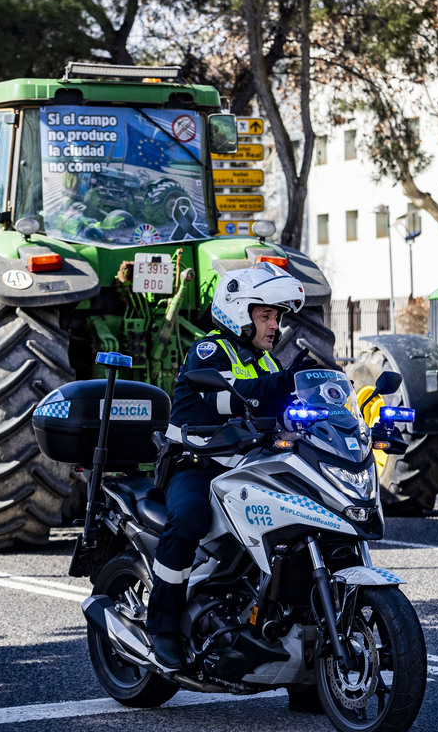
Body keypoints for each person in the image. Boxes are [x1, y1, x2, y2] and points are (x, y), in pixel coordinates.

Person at [147, 262, 320, 668]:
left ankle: (303, 654)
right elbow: (228, 398)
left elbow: (286, 412)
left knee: (297, 527)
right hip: (195, 467)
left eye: (277, 317)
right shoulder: (208, 350)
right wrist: (282, 386)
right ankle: (163, 627)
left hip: (245, 467)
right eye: (265, 315)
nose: (274, 326)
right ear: (238, 312)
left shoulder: (269, 364)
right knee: (188, 520)